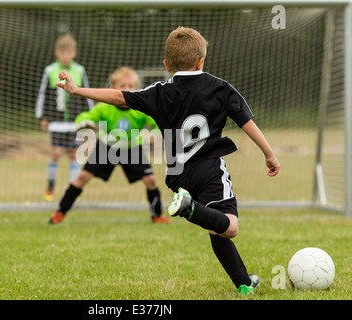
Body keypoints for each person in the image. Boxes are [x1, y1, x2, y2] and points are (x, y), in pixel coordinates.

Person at [55, 27, 281, 295]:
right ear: (201, 60)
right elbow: (246, 122)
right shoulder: (221, 88)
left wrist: (77, 90)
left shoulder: (159, 92)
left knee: (214, 227)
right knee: (229, 226)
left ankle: (244, 284)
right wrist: (269, 153)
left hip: (177, 174)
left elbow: (118, 97)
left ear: (166, 65)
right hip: (208, 168)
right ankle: (189, 208)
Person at [48, 67, 169, 225]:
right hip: (107, 147)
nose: (127, 89)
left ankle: (157, 215)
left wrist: (165, 130)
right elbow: (86, 116)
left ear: (137, 88)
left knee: (151, 180)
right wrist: (83, 122)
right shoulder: (105, 106)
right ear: (113, 88)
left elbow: (157, 121)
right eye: (122, 86)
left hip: (132, 148)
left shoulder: (140, 108)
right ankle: (60, 212)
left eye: (131, 86)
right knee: (82, 177)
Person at [35, 33, 94, 201]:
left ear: (74, 53)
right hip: (56, 122)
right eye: (63, 53)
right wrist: (42, 117)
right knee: (56, 152)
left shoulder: (80, 70)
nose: (66, 56)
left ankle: (71, 191)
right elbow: (43, 95)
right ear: (57, 53)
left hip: (74, 122)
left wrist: (89, 117)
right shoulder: (50, 70)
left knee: (74, 155)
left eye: (69, 53)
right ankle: (50, 186)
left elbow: (87, 95)